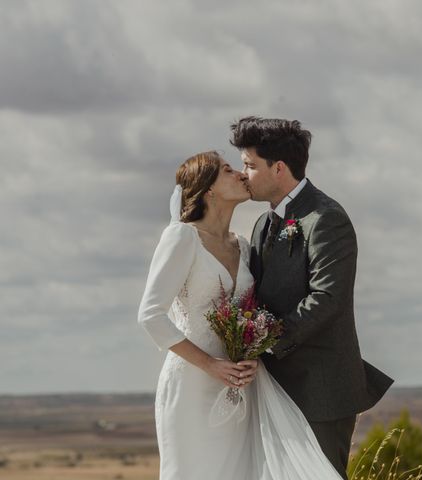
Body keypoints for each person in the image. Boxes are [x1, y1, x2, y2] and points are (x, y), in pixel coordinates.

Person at [138, 151, 345, 479]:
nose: (241, 174)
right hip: (192, 385)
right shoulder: (182, 237)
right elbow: (150, 315)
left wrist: (252, 353)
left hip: (239, 387)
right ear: (207, 189)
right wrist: (211, 365)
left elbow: (253, 312)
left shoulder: (244, 245)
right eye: (227, 170)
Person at [231, 116, 394, 479]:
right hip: (272, 390)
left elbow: (328, 297)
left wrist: (265, 340)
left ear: (278, 168)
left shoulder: (326, 218)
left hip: (319, 390)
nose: (244, 175)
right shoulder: (262, 223)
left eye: (250, 165)